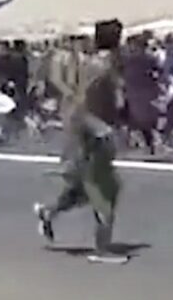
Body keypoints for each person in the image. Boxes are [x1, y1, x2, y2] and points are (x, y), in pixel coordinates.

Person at [34, 19, 127, 265]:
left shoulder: (104, 63)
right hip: (92, 133)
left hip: (92, 130)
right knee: (103, 189)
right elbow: (81, 102)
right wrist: (96, 128)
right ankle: (101, 249)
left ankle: (48, 211)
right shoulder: (99, 65)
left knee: (84, 189)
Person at [121, 34, 163, 154]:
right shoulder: (149, 59)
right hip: (144, 93)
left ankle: (143, 142)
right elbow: (159, 73)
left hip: (137, 93)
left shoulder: (128, 60)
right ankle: (149, 142)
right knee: (145, 119)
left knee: (138, 119)